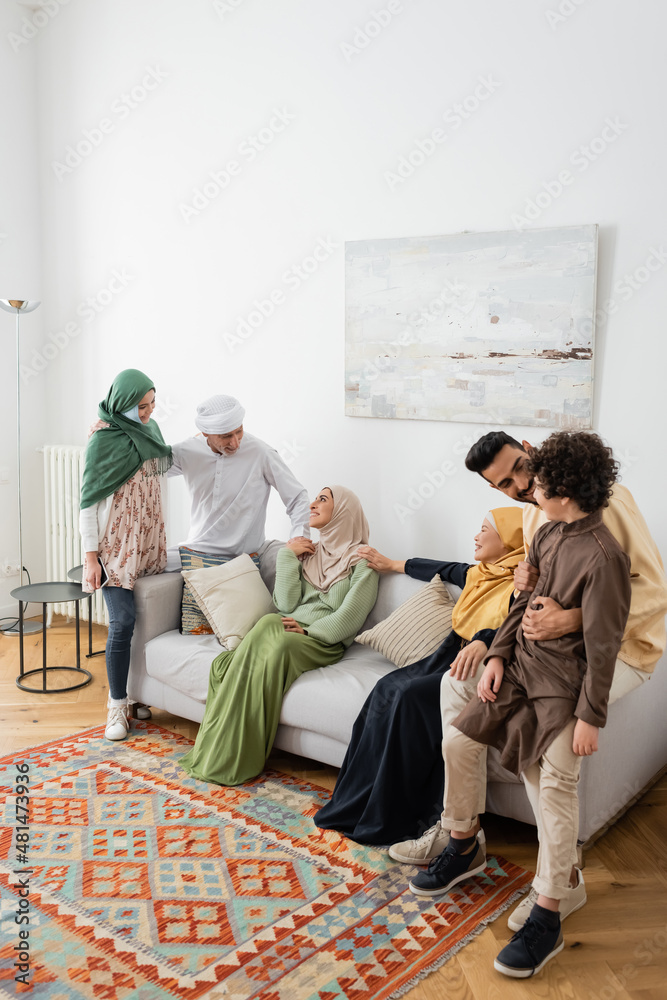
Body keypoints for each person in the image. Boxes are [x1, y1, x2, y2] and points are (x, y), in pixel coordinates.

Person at [391, 428, 667, 928]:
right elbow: (531, 589)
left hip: (620, 647)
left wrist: (573, 618)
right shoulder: (537, 513)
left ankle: (561, 884)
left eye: (520, 468)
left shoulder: (607, 504)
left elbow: (652, 591)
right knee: (455, 688)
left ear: (530, 449)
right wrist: (497, 649)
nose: (519, 484)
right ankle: (461, 834)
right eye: (503, 484)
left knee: (549, 756)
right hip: (548, 650)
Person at [313, 508, 523, 845]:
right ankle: (356, 804)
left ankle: (395, 815)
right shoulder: (480, 574)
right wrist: (392, 564)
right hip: (447, 653)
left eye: (485, 530)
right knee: (386, 688)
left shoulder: (520, 584)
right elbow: (439, 569)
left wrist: (484, 641)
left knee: (410, 698)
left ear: (510, 540)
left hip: (479, 663)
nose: (476, 536)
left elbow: (516, 625)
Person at [179, 486, 379, 786]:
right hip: (287, 627)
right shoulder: (311, 553)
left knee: (270, 645)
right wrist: (287, 556)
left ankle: (233, 758)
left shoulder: (364, 563)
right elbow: (286, 604)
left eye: (322, 499)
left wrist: (310, 629)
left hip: (321, 641)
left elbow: (350, 618)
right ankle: (216, 752)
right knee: (268, 623)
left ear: (343, 512)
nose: (312, 504)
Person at [79, 369, 172, 741]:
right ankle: (116, 706)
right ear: (122, 403)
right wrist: (90, 558)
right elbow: (88, 503)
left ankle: (137, 698)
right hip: (115, 548)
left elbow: (165, 472)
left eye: (152, 404)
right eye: (141, 406)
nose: (148, 413)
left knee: (147, 623)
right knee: (122, 623)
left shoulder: (151, 431)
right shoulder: (102, 440)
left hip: (149, 542)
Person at [168, 394, 311, 569]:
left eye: (239, 431)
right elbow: (143, 470)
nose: (235, 443)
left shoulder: (261, 452)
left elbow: (297, 496)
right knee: (134, 567)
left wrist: (299, 536)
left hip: (244, 555)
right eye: (226, 436)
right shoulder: (187, 451)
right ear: (206, 432)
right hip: (196, 549)